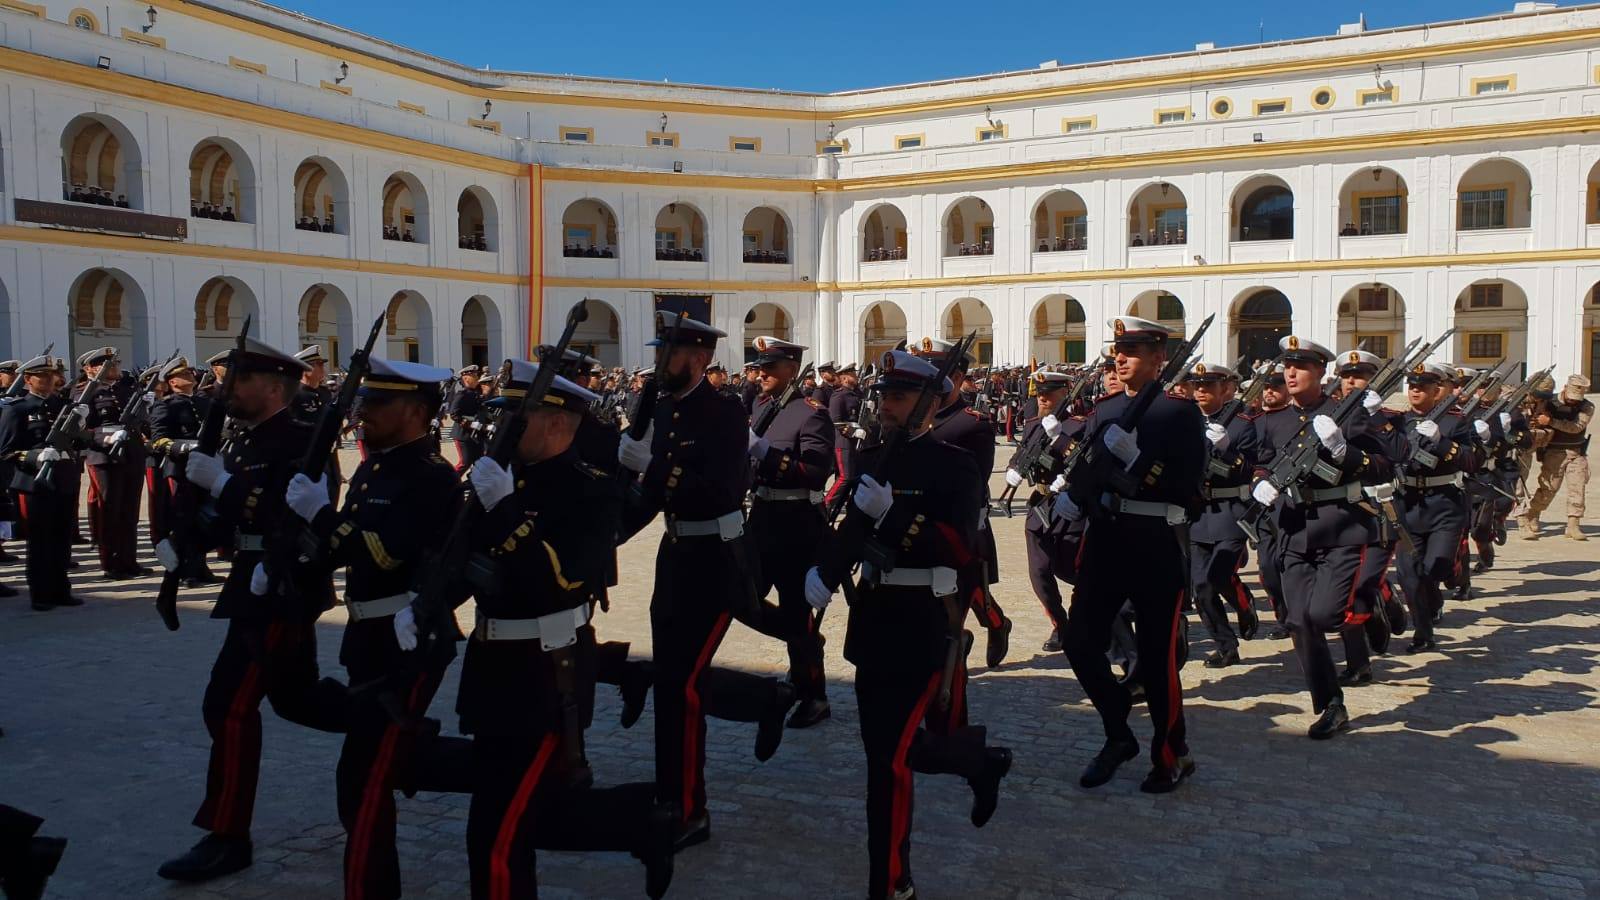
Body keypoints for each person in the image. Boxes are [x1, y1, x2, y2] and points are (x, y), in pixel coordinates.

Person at [803, 349, 1012, 900]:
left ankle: (891, 883)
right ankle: (979, 762)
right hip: (874, 618)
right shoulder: (872, 456)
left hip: (923, 619)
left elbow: (961, 547)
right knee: (883, 752)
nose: (886, 404)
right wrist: (824, 571)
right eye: (885, 394)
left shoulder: (953, 463)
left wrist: (895, 514)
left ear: (929, 403)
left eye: (899, 395)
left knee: (889, 762)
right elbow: (852, 531)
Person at [157, 337, 349, 883]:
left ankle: (227, 835)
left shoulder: (301, 442)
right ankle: (385, 722)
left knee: (229, 705)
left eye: (239, 380)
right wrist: (186, 539)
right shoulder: (242, 442)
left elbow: (296, 514)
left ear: (271, 387)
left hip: (281, 589)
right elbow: (225, 516)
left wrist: (222, 482)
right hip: (251, 585)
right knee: (297, 700)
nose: (226, 388)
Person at [279, 357, 460, 900]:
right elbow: (342, 548)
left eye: (377, 404)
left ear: (416, 412)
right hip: (368, 638)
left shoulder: (429, 476)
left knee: (365, 780)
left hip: (407, 643)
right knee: (368, 766)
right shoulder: (375, 468)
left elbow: (381, 554)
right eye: (362, 403)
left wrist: (320, 517)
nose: (362, 415)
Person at [616, 311, 795, 849]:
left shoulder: (722, 414)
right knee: (672, 680)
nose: (658, 363)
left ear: (700, 359)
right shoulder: (660, 409)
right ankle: (760, 706)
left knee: (682, 684)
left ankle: (688, 808)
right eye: (658, 353)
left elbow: (721, 489)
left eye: (669, 354)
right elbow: (650, 500)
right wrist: (607, 538)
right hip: (676, 556)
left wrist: (651, 469)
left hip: (718, 557)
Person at [1059, 317, 1205, 791]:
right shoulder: (1104, 410)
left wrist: (1138, 461)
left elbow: (1190, 491)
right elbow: (1089, 465)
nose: (1120, 359)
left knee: (1156, 661)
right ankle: (1118, 731)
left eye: (1133, 351)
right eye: (1118, 350)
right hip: (1106, 539)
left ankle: (1171, 755)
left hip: (1153, 542)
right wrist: (1072, 493)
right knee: (1079, 641)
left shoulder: (1180, 413)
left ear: (1159, 358)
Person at [1249, 335, 1394, 739]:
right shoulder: (1273, 419)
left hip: (1342, 526)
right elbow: (1262, 463)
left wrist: (1341, 450)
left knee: (1325, 615)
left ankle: (1374, 598)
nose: (1290, 373)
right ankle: (1331, 703)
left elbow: (1383, 466)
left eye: (1301, 367)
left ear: (1321, 372)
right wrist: (1260, 483)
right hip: (1294, 529)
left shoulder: (1346, 414)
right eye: (1286, 367)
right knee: (1298, 621)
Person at [746, 336, 835, 728]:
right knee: (742, 597)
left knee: (797, 612)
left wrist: (769, 455)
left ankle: (814, 694)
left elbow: (817, 472)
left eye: (770, 365)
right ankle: (807, 645)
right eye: (759, 364)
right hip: (761, 518)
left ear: (792, 370)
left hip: (797, 523)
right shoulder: (759, 405)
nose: (760, 371)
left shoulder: (810, 413)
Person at [920, 337, 1012, 669]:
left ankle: (996, 624)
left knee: (970, 590)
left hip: (961, 523)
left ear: (958, 378)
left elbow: (975, 482)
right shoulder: (914, 417)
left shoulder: (972, 423)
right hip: (921, 524)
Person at [1393, 361, 1484, 653]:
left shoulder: (1456, 421)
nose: (1415, 391)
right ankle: (1423, 632)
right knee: (1408, 574)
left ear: (1437, 390)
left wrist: (1442, 442)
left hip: (1444, 505)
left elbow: (1472, 462)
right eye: (1412, 386)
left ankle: (1439, 592)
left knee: (1435, 568)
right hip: (1407, 505)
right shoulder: (1398, 420)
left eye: (1422, 387)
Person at [1186, 361, 1260, 668]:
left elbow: (1252, 469)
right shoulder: (1186, 421)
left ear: (1224, 389)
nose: (1201, 391)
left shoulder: (1242, 424)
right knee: (1200, 588)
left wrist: (1228, 449)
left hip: (1230, 512)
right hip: (1198, 513)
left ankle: (1244, 602)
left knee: (1216, 577)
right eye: (1197, 386)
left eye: (1208, 386)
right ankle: (1226, 645)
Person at [1001, 369, 1081, 651]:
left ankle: (1086, 619)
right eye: (1040, 394)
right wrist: (1012, 470)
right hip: (1039, 505)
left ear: (1065, 394)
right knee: (1039, 573)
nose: (1043, 398)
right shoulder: (1035, 425)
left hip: (1069, 507)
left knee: (1074, 572)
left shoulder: (1078, 425)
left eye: (1050, 393)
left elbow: (1086, 462)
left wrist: (1067, 474)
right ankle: (1061, 625)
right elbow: (1021, 454)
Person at [0, 356, 78, 609]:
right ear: (28, 379)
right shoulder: (17, 409)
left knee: (62, 537)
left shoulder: (63, 405)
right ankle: (41, 593)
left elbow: (81, 443)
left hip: (64, 477)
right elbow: (6, 451)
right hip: (36, 481)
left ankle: (61, 590)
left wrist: (82, 426)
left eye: (50, 376)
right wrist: (34, 455)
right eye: (41, 376)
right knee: (41, 539)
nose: (47, 380)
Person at [76, 347, 147, 579]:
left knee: (130, 509)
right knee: (109, 509)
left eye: (114, 362)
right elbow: (80, 430)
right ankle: (111, 562)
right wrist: (104, 436)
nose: (113, 367)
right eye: (104, 363)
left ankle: (129, 560)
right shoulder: (83, 393)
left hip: (131, 452)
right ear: (88, 368)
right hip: (104, 455)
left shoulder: (127, 389)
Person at [1520, 374, 1592, 541]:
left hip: (1576, 452)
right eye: (1571, 397)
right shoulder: (1549, 402)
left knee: (1578, 488)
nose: (1573, 401)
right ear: (1565, 388)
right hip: (1554, 453)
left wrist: (1550, 422)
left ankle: (1573, 525)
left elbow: (1576, 427)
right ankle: (1534, 513)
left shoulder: (1587, 406)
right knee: (1548, 488)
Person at [825, 363, 864, 510]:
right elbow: (835, 421)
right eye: (853, 374)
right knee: (845, 477)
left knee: (854, 477)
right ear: (845, 378)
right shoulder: (838, 396)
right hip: (844, 442)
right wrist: (853, 431)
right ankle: (826, 504)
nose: (856, 376)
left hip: (856, 442)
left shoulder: (856, 394)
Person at [448, 365, 485, 472]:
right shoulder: (462, 394)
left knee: (479, 462)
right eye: (474, 375)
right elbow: (454, 413)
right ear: (466, 378)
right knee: (465, 462)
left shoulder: (476, 393)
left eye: (477, 375)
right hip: (463, 434)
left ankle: (473, 484)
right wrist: (470, 423)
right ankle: (451, 483)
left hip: (475, 434)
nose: (477, 377)